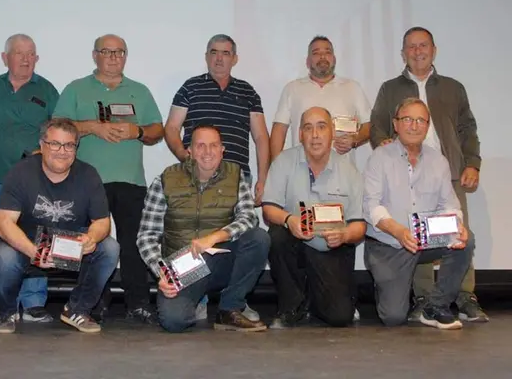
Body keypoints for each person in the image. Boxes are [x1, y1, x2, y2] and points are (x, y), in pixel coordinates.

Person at [369, 27, 487, 322]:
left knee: (458, 234)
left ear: (434, 50)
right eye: (411, 46)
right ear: (403, 53)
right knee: (414, 231)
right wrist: (384, 145)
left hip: (445, 169)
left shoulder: (453, 87)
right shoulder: (389, 88)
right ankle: (424, 299)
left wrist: (472, 163)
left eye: (423, 45)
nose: (417, 51)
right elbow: (377, 125)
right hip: (402, 168)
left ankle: (464, 296)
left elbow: (467, 129)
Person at [53, 34, 164, 324]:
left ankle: (138, 303)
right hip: (86, 181)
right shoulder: (76, 89)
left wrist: (138, 131)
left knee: (134, 243)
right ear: (95, 55)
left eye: (119, 52)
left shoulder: (139, 91)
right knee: (91, 243)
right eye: (107, 51)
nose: (114, 57)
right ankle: (93, 303)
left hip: (131, 180)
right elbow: (58, 126)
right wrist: (92, 127)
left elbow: (158, 130)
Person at [163, 34, 269, 321]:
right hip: (198, 179)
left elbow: (261, 137)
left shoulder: (247, 91)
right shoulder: (191, 87)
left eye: (226, 53)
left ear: (235, 58)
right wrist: (186, 158)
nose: (219, 58)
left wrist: (262, 179)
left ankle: (234, 302)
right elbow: (171, 128)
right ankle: (196, 294)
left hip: (236, 181)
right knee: (198, 235)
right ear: (206, 56)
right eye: (214, 52)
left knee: (246, 239)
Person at [137, 125, 270, 332]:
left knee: (259, 238)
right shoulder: (165, 179)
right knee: (174, 321)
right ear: (189, 150)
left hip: (221, 261)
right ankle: (197, 299)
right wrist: (162, 272)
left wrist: (214, 237)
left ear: (222, 150)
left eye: (213, 145)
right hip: (182, 266)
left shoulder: (236, 176)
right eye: (200, 146)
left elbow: (249, 218)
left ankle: (230, 308)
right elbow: (147, 235)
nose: (207, 152)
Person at [0, 119, 119, 334]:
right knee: (4, 254)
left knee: (109, 248)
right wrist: (34, 252)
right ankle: (6, 312)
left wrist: (92, 237)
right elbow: (4, 224)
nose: (62, 151)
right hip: (28, 245)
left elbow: (102, 222)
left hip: (71, 246)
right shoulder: (20, 172)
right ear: (42, 145)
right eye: (55, 144)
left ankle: (77, 310)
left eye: (69, 145)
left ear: (76, 148)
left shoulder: (89, 174)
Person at [363, 97, 473, 329]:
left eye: (420, 120)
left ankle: (436, 306)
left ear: (427, 126)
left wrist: (457, 225)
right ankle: (386, 284)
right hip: (389, 244)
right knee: (393, 317)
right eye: (407, 119)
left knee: (466, 240)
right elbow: (371, 206)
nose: (414, 126)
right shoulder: (379, 158)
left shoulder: (438, 161)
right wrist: (399, 231)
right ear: (396, 124)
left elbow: (450, 205)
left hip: (426, 239)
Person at [0, 34, 59, 324]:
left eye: (31, 54)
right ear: (5, 58)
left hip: (34, 182)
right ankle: (5, 302)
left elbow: (59, 134)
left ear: (37, 58)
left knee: (35, 237)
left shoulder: (47, 89)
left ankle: (34, 302)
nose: (26, 59)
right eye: (19, 53)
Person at [262, 107, 366, 328]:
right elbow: (269, 208)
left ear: (332, 132)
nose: (315, 135)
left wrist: (345, 234)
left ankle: (314, 298)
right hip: (295, 243)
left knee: (339, 317)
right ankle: (292, 307)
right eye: (308, 128)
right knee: (277, 236)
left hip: (331, 249)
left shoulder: (350, 172)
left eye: (321, 127)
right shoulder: (283, 161)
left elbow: (359, 225)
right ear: (300, 134)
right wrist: (289, 220)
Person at [269, 36, 371, 161]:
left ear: (334, 59)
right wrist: (276, 167)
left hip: (343, 169)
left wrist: (355, 140)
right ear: (308, 62)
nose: (322, 57)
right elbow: (279, 130)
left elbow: (369, 125)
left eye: (327, 52)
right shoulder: (292, 89)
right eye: (316, 53)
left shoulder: (352, 87)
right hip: (301, 169)